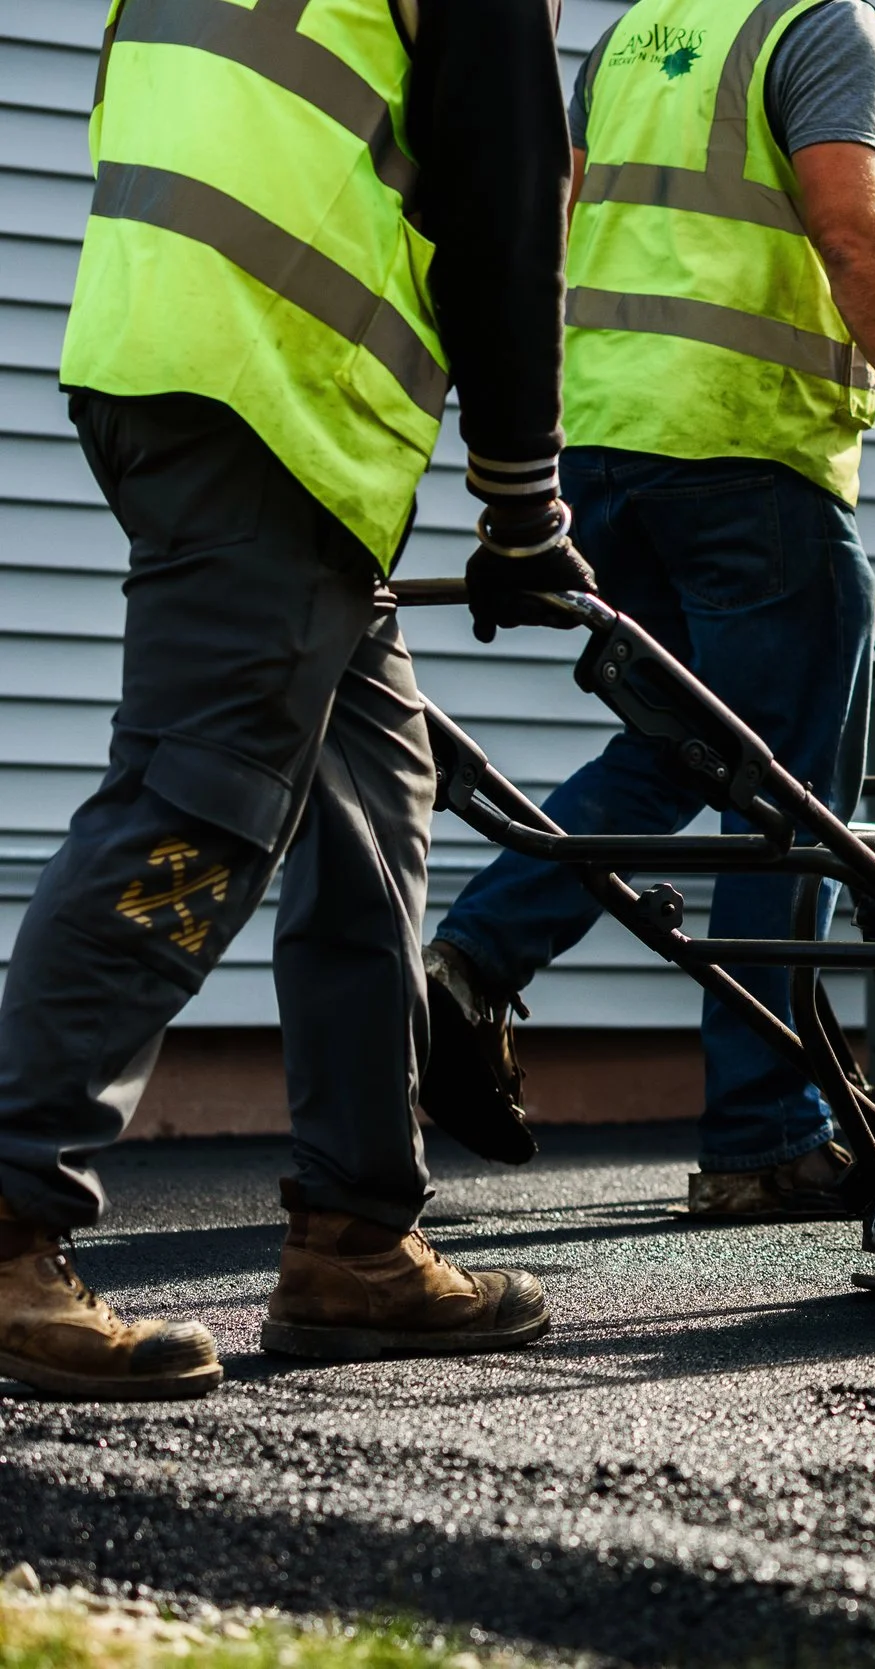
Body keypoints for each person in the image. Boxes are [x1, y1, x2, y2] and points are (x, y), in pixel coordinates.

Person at [0, 0, 588, 1400]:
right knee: (201, 798)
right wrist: (523, 507)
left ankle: (357, 1239)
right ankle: (11, 1212)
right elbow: (507, 198)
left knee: (373, 793)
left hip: (175, 356)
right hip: (269, 382)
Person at [415, 0, 875, 1219]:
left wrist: (526, 464)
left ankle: (470, 963)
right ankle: (767, 1132)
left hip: (603, 453)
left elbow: (553, 229)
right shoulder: (823, 27)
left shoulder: (636, 36)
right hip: (744, 458)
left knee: (676, 750)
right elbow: (855, 233)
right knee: (790, 793)